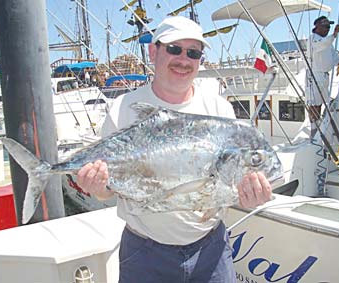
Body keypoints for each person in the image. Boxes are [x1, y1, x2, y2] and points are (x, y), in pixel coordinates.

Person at [77, 16, 272, 283]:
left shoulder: (219, 109)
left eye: (193, 53)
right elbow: (107, 191)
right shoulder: (123, 108)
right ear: (153, 51)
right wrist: (97, 187)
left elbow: (223, 186)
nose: (184, 59)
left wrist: (247, 197)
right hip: (145, 254)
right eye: (174, 49)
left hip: (211, 250)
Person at [305, 16, 339, 138]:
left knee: (320, 102)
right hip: (314, 75)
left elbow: (335, 57)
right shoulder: (313, 39)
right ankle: (314, 130)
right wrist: (334, 35)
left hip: (325, 76)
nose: (328, 28)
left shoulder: (328, 43)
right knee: (313, 104)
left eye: (329, 26)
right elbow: (322, 45)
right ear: (317, 27)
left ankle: (318, 126)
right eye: (325, 26)